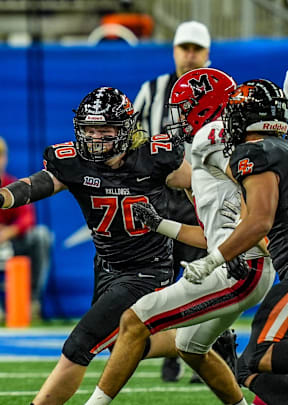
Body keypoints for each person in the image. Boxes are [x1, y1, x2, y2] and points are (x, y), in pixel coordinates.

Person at [0, 86, 192, 405]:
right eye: (89, 131)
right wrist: (1, 197)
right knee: (117, 343)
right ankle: (192, 341)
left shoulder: (155, 157)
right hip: (107, 266)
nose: (96, 139)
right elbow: (38, 184)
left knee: (80, 346)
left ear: (126, 129)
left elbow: (204, 189)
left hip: (149, 269)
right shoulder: (74, 162)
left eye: (105, 131)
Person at [85, 69, 275, 405]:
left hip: (244, 264)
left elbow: (253, 184)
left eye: (186, 107)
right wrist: (159, 224)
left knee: (133, 319)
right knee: (189, 347)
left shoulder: (212, 135)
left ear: (205, 105)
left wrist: (234, 249)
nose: (180, 116)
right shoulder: (216, 142)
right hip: (242, 263)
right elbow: (209, 236)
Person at [179, 78, 288, 405]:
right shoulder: (280, 149)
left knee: (254, 361)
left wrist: (213, 259)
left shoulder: (256, 152)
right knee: (261, 372)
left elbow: (258, 221)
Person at [133, 19, 212, 382]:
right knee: (162, 275)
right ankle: (171, 348)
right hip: (161, 196)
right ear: (175, 50)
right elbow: (134, 137)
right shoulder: (152, 90)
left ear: (207, 53)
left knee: (206, 277)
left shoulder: (221, 91)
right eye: (184, 48)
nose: (189, 55)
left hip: (207, 196)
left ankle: (209, 348)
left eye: (196, 49)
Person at [0, 135, 53, 322]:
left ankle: (31, 302)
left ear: (5, 158)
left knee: (41, 236)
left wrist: (4, 235)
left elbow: (27, 218)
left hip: (10, 241)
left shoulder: (13, 184)